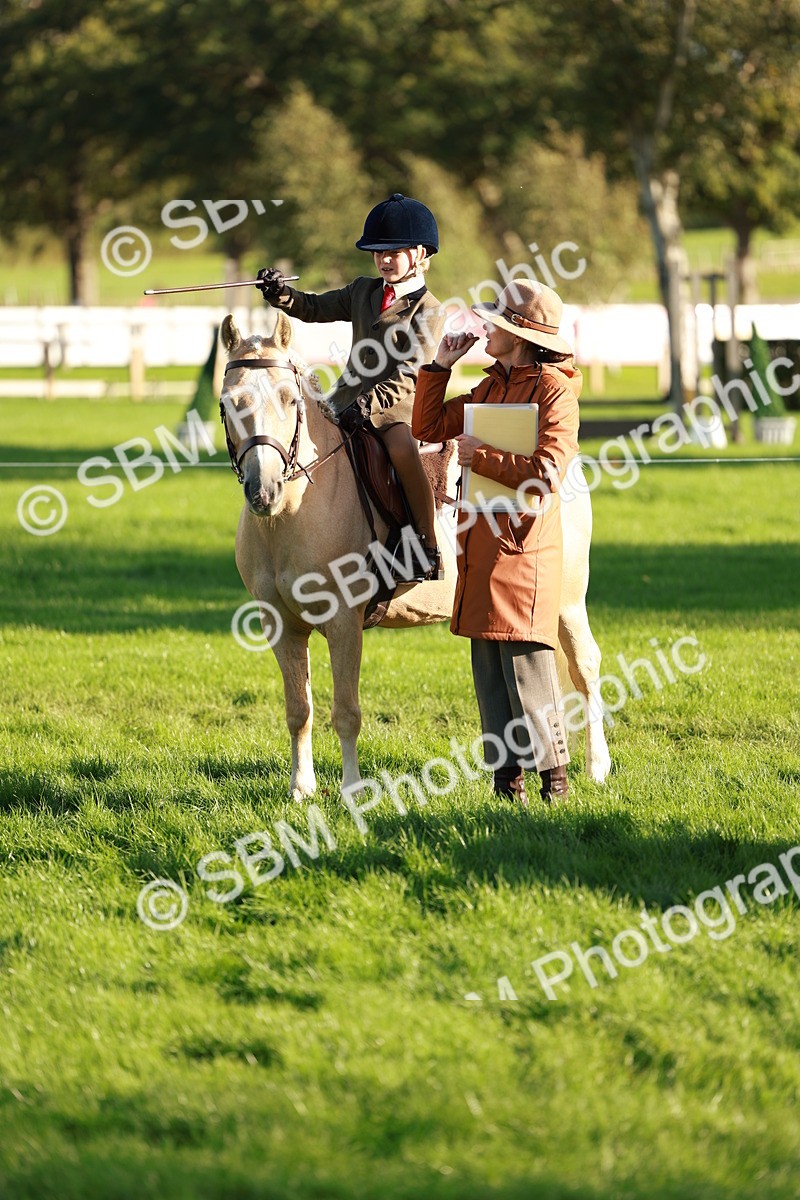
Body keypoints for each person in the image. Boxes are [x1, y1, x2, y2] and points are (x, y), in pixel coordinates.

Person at [412, 280, 580, 805]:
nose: (486, 329)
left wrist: (479, 456)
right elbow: (427, 425)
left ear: (521, 336)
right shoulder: (488, 388)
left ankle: (555, 787)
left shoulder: (554, 392)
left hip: (524, 548)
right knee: (489, 673)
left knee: (528, 670)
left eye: (497, 323)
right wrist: (440, 366)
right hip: (480, 545)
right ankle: (507, 788)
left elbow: (547, 474)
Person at [256, 193, 446, 579]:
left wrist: (369, 405)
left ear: (420, 254)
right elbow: (313, 307)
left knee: (402, 451)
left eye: (394, 252)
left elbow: (410, 373)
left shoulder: (430, 310)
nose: (384, 259)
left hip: (396, 410)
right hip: (343, 402)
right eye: (378, 252)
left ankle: (425, 545)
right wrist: (281, 295)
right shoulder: (362, 291)